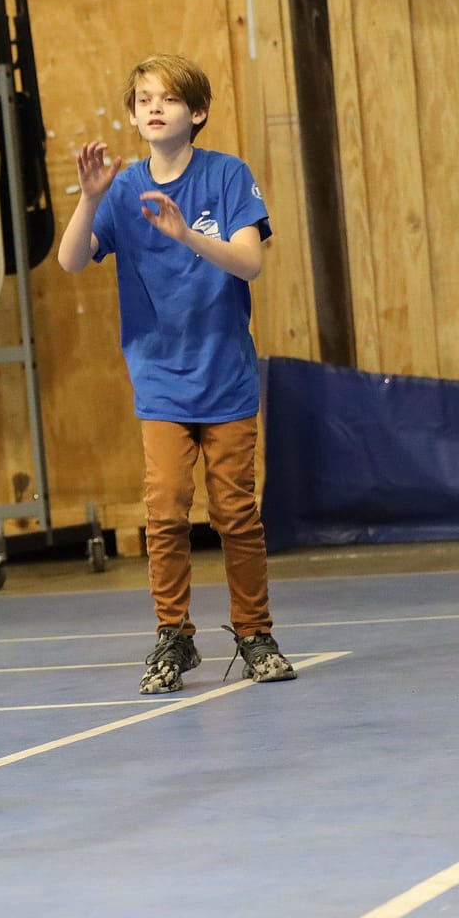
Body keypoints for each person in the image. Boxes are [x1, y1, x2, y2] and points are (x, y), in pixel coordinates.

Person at [55, 54, 296, 696]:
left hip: (226, 380)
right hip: (160, 383)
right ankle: (174, 636)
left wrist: (187, 235)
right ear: (133, 115)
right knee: (163, 511)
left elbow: (250, 265)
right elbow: (71, 260)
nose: (153, 106)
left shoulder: (226, 175)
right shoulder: (124, 188)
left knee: (235, 513)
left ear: (198, 112)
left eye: (167, 97)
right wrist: (90, 200)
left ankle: (254, 633)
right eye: (142, 99)